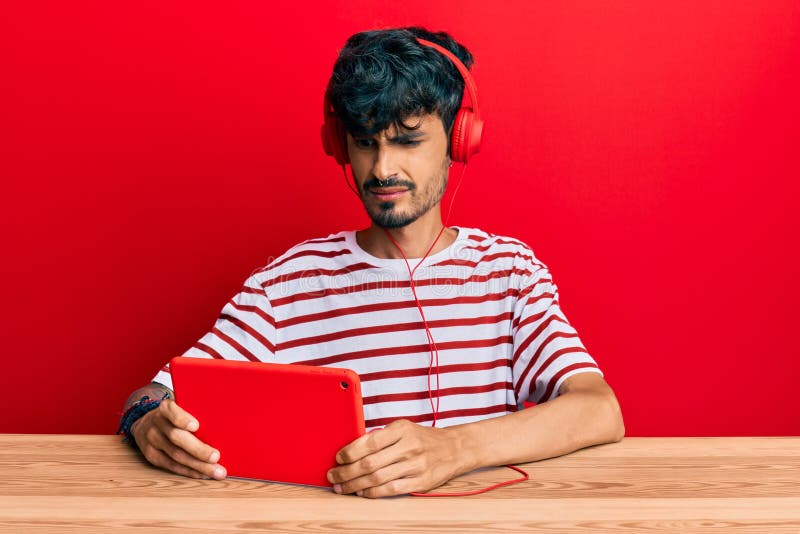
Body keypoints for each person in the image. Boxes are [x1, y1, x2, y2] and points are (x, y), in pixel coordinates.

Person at [118, 26, 625, 498]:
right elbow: (156, 391)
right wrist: (147, 418)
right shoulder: (285, 284)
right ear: (341, 147)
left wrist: (455, 448)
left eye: (408, 140)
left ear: (458, 139)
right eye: (365, 142)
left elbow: (599, 408)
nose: (382, 169)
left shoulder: (509, 272)